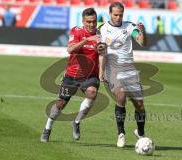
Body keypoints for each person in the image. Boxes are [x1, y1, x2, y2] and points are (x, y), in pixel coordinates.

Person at [40, 8, 102, 142]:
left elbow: (103, 55)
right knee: (61, 103)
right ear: (83, 21)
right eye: (89, 22)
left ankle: (76, 122)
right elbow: (70, 49)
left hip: (91, 75)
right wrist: (86, 40)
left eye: (94, 22)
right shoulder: (77, 31)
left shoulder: (100, 34)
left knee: (92, 92)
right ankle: (47, 128)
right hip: (72, 75)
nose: (92, 25)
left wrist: (102, 73)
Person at [98, 2, 147, 148]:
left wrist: (142, 32)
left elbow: (141, 42)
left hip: (129, 69)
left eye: (120, 14)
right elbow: (102, 51)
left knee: (140, 105)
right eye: (115, 14)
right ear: (110, 14)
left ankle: (140, 133)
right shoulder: (104, 29)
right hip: (113, 69)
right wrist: (101, 71)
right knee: (121, 94)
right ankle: (121, 134)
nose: (118, 17)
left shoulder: (129, 26)